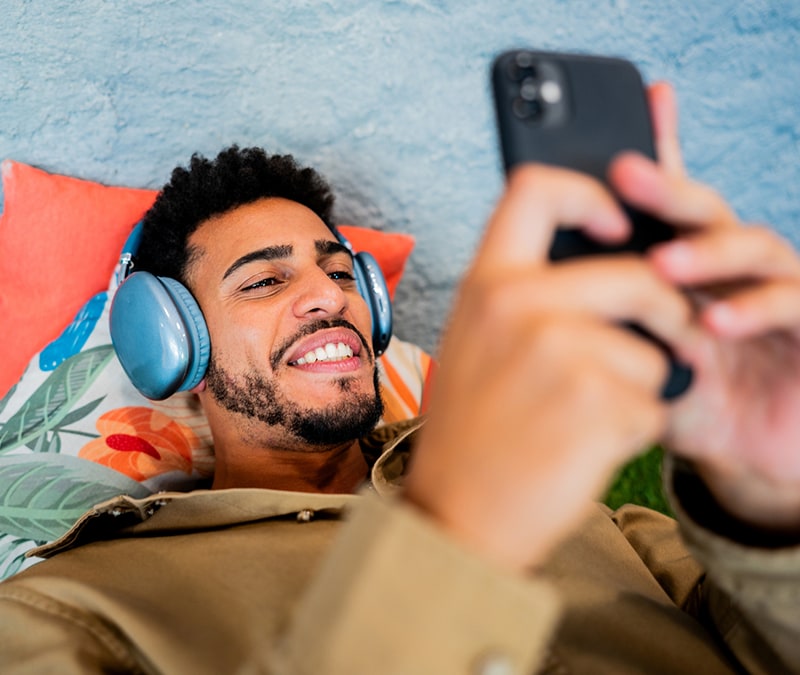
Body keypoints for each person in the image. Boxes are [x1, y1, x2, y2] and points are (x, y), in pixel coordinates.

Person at [0, 81, 798, 674]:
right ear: (173, 344)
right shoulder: (72, 607)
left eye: (341, 271)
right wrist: (456, 535)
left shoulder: (595, 515)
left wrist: (774, 498)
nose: (329, 296)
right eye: (263, 281)